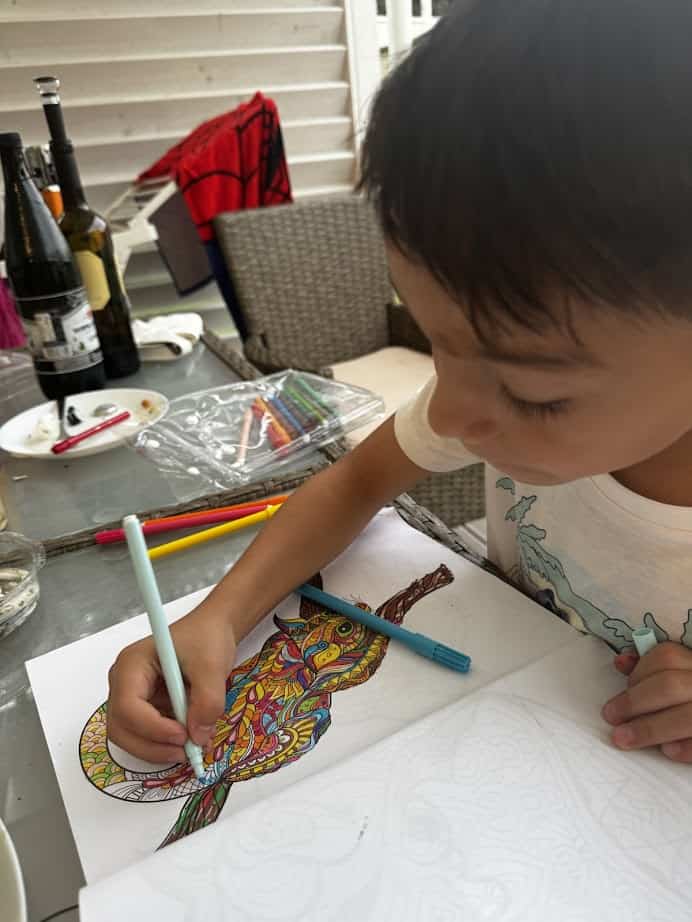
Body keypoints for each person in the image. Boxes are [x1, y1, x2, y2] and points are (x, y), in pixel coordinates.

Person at [107, 0, 692, 766]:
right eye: (439, 344)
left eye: (534, 394)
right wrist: (219, 618)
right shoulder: (486, 398)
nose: (450, 412)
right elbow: (356, 480)